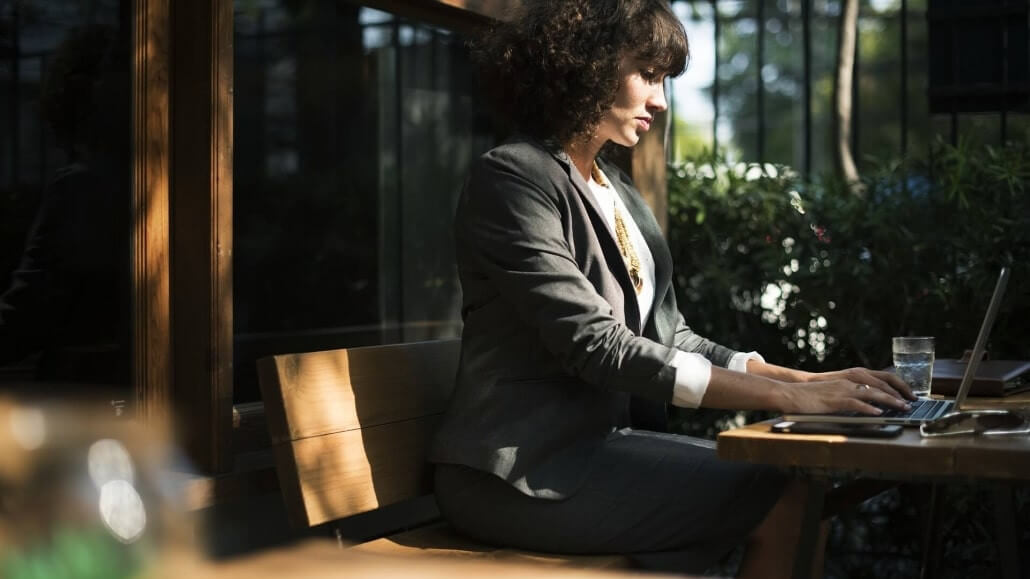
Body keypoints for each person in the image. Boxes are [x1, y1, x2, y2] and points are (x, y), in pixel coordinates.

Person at [427, 1, 915, 577]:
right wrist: (790, 400)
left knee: (799, 480)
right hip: (517, 474)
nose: (660, 100)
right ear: (587, 64)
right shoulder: (513, 178)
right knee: (781, 495)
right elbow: (597, 344)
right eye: (648, 74)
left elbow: (669, 333)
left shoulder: (619, 191)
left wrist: (808, 381)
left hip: (596, 451)